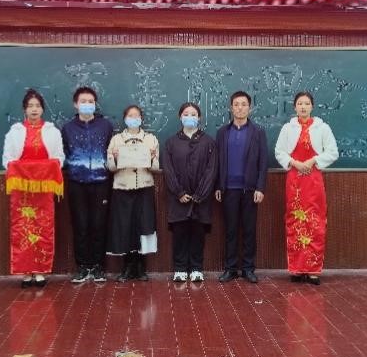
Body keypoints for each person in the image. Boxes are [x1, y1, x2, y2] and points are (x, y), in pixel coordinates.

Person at [274, 92, 338, 285]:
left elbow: (333, 152)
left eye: (307, 103)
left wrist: (313, 161)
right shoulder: (288, 128)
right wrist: (294, 163)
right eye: (300, 103)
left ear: (312, 106)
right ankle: (296, 268)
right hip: (294, 180)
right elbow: (279, 151)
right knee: (295, 220)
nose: (303, 107)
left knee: (315, 222)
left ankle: (313, 270)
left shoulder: (322, 128)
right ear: (294, 107)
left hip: (313, 179)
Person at [2, 89, 64, 288]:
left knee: (43, 227)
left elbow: (59, 158)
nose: (34, 109)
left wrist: (41, 170)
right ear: (24, 109)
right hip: (22, 190)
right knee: (22, 228)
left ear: (43, 109)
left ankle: (40, 271)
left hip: (43, 189)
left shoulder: (53, 132)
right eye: (30, 106)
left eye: (37, 106)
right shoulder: (15, 132)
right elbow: (7, 160)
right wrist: (25, 170)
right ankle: (25, 272)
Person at [215, 91, 268, 284]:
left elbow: (263, 162)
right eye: (236, 104)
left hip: (250, 190)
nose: (240, 108)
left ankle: (248, 269)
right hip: (228, 189)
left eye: (244, 104)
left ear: (249, 108)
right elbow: (218, 161)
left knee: (249, 230)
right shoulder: (223, 132)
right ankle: (230, 269)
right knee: (230, 230)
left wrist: (260, 188)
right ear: (231, 108)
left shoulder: (258, 132)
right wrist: (218, 185)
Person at [62, 86, 114, 283]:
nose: (87, 105)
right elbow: (63, 153)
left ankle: (98, 267)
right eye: (83, 101)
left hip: (101, 182)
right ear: (75, 104)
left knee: (99, 225)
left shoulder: (106, 126)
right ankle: (82, 266)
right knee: (80, 225)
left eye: (90, 102)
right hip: (76, 183)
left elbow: (111, 151)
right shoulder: (67, 128)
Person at [162, 102, 218, 282]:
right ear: (180, 117)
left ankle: (196, 268)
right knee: (179, 233)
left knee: (198, 234)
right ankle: (179, 269)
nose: (190, 117)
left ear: (199, 118)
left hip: (201, 199)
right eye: (186, 114)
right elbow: (168, 170)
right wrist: (178, 192)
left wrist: (200, 194)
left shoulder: (208, 142)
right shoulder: (171, 142)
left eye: (194, 114)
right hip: (178, 198)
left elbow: (211, 169)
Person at [106, 105, 160, 282]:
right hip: (122, 189)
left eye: (137, 116)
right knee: (125, 226)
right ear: (125, 119)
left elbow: (155, 167)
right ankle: (127, 267)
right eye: (130, 116)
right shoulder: (116, 140)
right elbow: (110, 167)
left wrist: (151, 157)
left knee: (143, 226)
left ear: (142, 119)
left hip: (144, 188)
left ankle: (141, 267)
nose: (134, 119)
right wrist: (114, 157)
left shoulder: (151, 139)